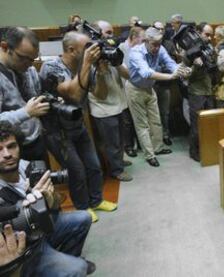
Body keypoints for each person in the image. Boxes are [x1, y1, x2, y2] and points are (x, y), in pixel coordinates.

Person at [39, 31, 117, 223]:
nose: (92, 51)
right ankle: (83, 208)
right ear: (71, 50)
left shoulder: (86, 66)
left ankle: (96, 201)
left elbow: (101, 94)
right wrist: (88, 64)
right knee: (77, 171)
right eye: (87, 48)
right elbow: (73, 95)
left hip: (77, 126)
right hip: (57, 131)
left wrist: (100, 72)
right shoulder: (51, 67)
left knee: (94, 165)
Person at [0, 121, 95, 276]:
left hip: (40, 231)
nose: (7, 154)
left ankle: (67, 260)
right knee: (78, 269)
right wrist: (30, 204)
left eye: (11, 146)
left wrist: (50, 200)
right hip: (25, 250)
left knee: (84, 217)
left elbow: (55, 205)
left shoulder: (25, 166)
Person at [126, 27, 186, 167]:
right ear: (145, 41)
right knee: (142, 125)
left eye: (159, 44)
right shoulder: (136, 52)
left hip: (149, 88)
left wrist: (180, 70)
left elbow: (170, 64)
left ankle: (158, 148)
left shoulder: (160, 48)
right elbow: (147, 73)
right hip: (135, 89)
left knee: (156, 121)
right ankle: (149, 155)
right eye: (154, 45)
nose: (157, 48)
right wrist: (171, 76)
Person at [88, 20, 133, 182]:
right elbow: (100, 94)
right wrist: (101, 71)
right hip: (104, 110)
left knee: (120, 140)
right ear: (96, 35)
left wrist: (117, 63)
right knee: (111, 143)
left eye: (112, 32)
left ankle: (119, 161)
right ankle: (116, 170)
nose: (111, 36)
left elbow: (128, 76)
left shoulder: (113, 50)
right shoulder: (90, 59)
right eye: (107, 33)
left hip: (119, 105)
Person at [0, 27, 50, 161]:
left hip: (36, 140)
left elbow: (37, 97)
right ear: (4, 47)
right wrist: (26, 112)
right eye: (24, 58)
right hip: (10, 150)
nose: (29, 64)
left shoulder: (28, 69)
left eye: (32, 59)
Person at [184, 23, 216, 162]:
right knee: (196, 125)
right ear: (198, 33)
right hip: (196, 92)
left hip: (208, 91)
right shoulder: (189, 52)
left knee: (210, 124)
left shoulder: (209, 48)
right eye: (206, 34)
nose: (209, 38)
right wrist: (195, 66)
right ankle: (194, 152)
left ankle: (207, 150)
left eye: (211, 35)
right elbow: (185, 77)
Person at [119, 26, 144, 157]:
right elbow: (124, 71)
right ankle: (128, 146)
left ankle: (140, 142)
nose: (144, 42)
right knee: (127, 120)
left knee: (138, 117)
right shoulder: (122, 49)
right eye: (142, 38)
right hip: (124, 88)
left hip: (137, 88)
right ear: (134, 37)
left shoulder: (139, 49)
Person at [153, 21, 174, 146]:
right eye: (158, 29)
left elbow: (170, 64)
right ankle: (156, 137)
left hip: (164, 84)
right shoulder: (147, 43)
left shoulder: (168, 44)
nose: (161, 31)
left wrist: (159, 68)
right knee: (152, 113)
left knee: (165, 112)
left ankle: (165, 134)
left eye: (162, 29)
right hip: (150, 85)